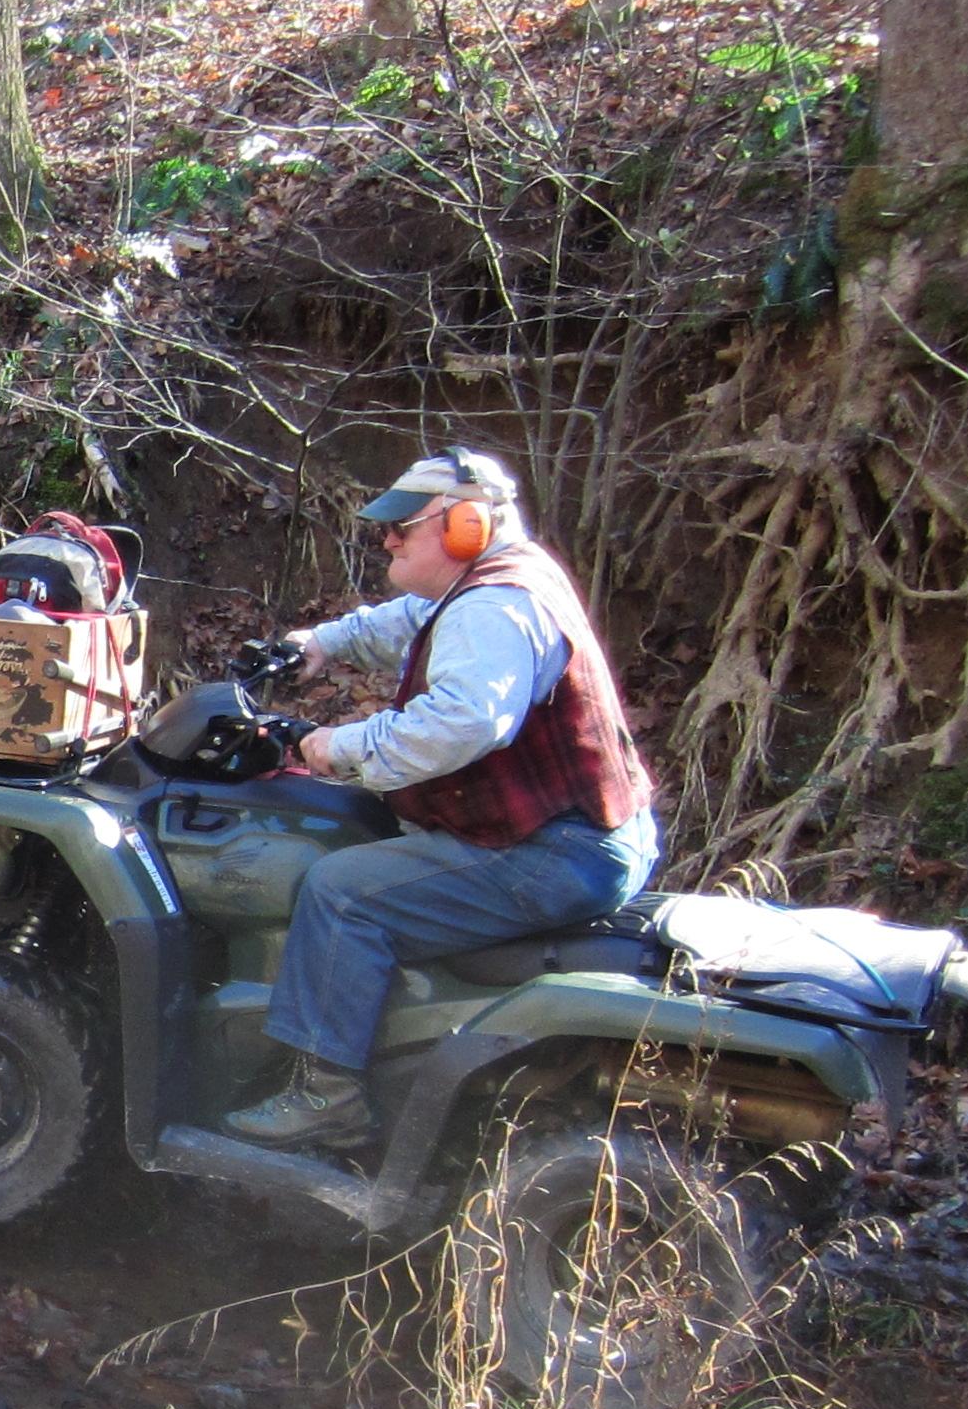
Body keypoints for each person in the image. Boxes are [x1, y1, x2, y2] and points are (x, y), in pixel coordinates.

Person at [223, 450, 660, 1151]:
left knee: (341, 891)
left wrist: (340, 745)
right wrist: (317, 646)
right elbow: (409, 620)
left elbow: (463, 723)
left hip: (553, 852)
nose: (389, 540)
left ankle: (327, 1096)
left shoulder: (496, 608)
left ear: (467, 524)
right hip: (578, 836)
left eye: (404, 528)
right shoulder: (491, 582)